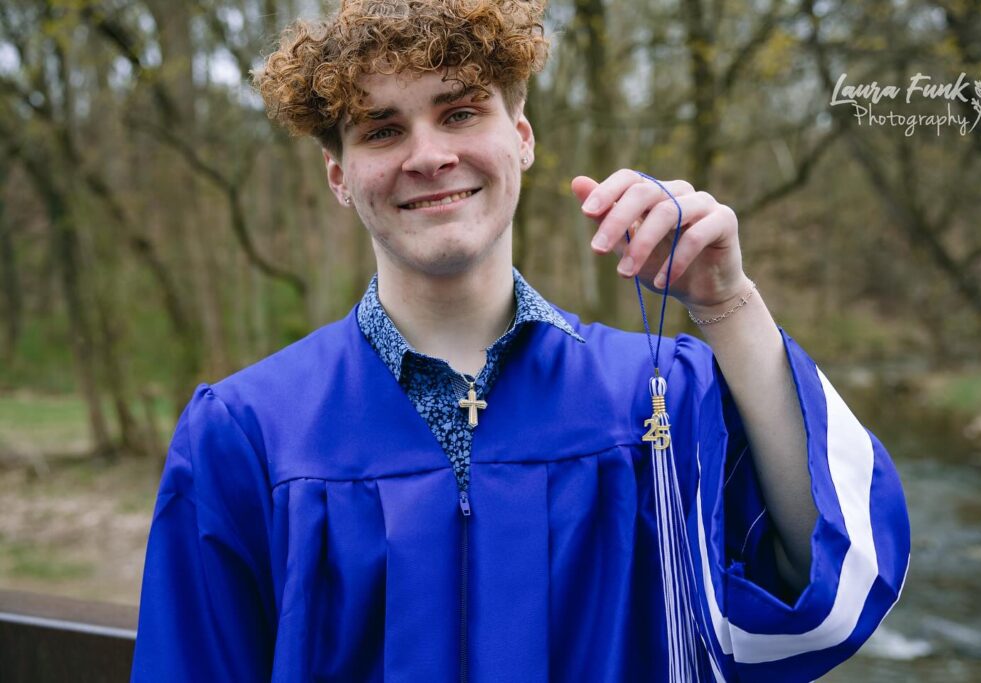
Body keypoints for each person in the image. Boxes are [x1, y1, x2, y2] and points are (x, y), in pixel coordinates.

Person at [130, 1, 910, 681]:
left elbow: (834, 587)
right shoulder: (247, 436)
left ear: (524, 138)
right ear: (339, 176)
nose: (429, 155)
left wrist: (729, 305)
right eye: (381, 128)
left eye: (461, 112)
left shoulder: (656, 397)